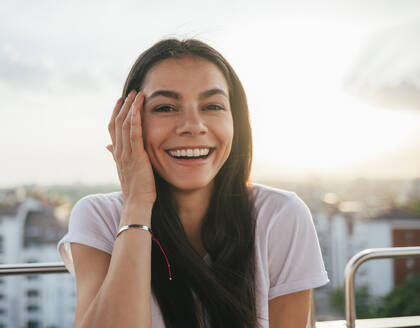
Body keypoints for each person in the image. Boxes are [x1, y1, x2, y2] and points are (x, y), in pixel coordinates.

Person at [57, 38, 329, 328]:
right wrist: (137, 204)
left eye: (212, 105)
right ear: (129, 122)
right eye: (165, 108)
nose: (192, 125)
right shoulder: (99, 217)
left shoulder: (280, 215)